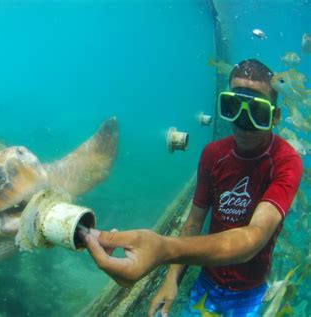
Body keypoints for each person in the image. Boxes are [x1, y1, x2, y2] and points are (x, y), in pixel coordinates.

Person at [81, 59, 303, 316]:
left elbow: (254, 237)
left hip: (250, 293)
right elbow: (193, 224)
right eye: (233, 107)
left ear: (275, 117)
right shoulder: (213, 155)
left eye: (258, 112)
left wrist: (165, 250)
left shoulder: (285, 161)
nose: (244, 121)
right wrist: (171, 279)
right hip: (206, 283)